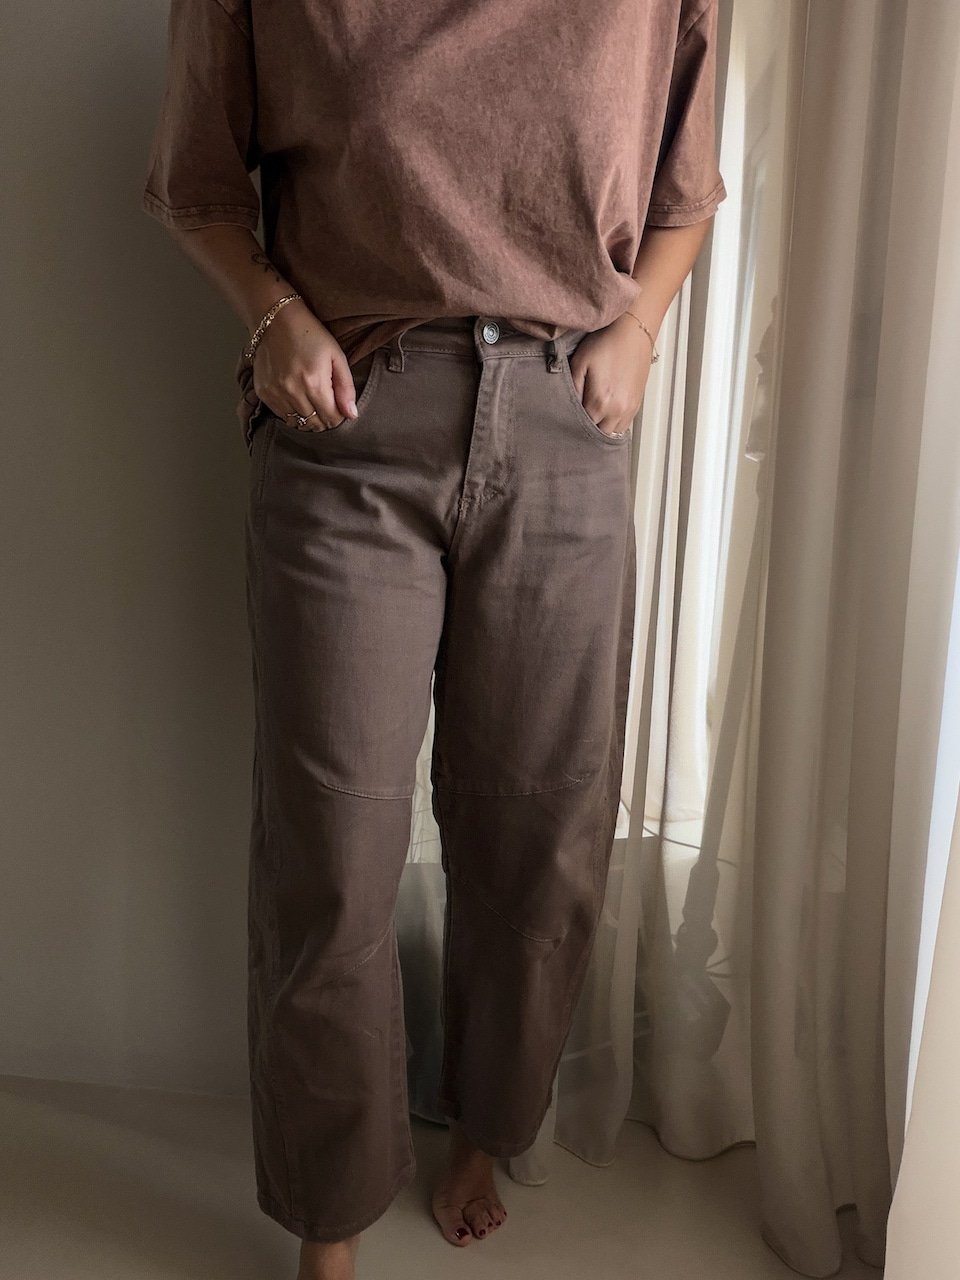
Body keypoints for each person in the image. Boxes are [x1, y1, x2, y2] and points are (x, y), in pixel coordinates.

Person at [141, 0, 726, 1275]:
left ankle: (484, 1129)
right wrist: (273, 320)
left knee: (539, 832)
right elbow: (195, 184)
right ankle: (331, 1211)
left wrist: (637, 332)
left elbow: (685, 194)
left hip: (565, 421)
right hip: (351, 425)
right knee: (332, 852)